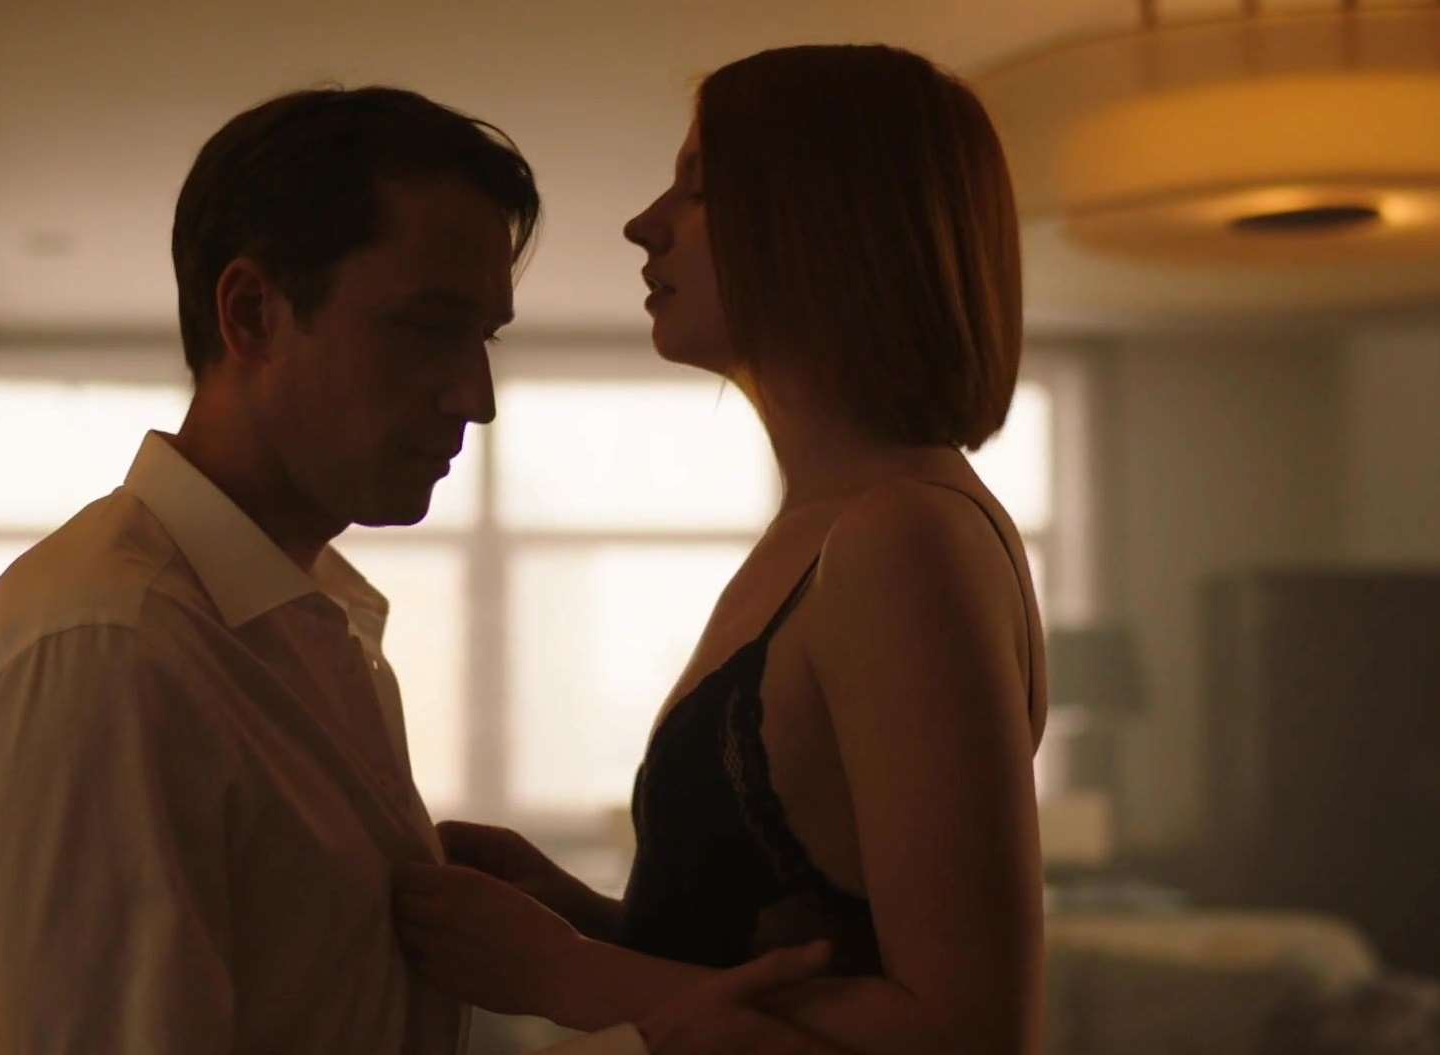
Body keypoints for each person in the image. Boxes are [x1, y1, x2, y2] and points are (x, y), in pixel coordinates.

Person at [0, 84, 844, 1055]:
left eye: (483, 337)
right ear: (252, 314)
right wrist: (644, 1039)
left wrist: (593, 949)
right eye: (428, 327)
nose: (476, 396)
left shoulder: (299, 625)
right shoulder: (110, 650)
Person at [394, 43, 1049, 1054]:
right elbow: (813, 955)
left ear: (823, 220)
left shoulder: (903, 537)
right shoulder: (831, 527)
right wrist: (589, 919)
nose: (643, 223)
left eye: (696, 188)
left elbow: (970, 1031)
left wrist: (566, 970)